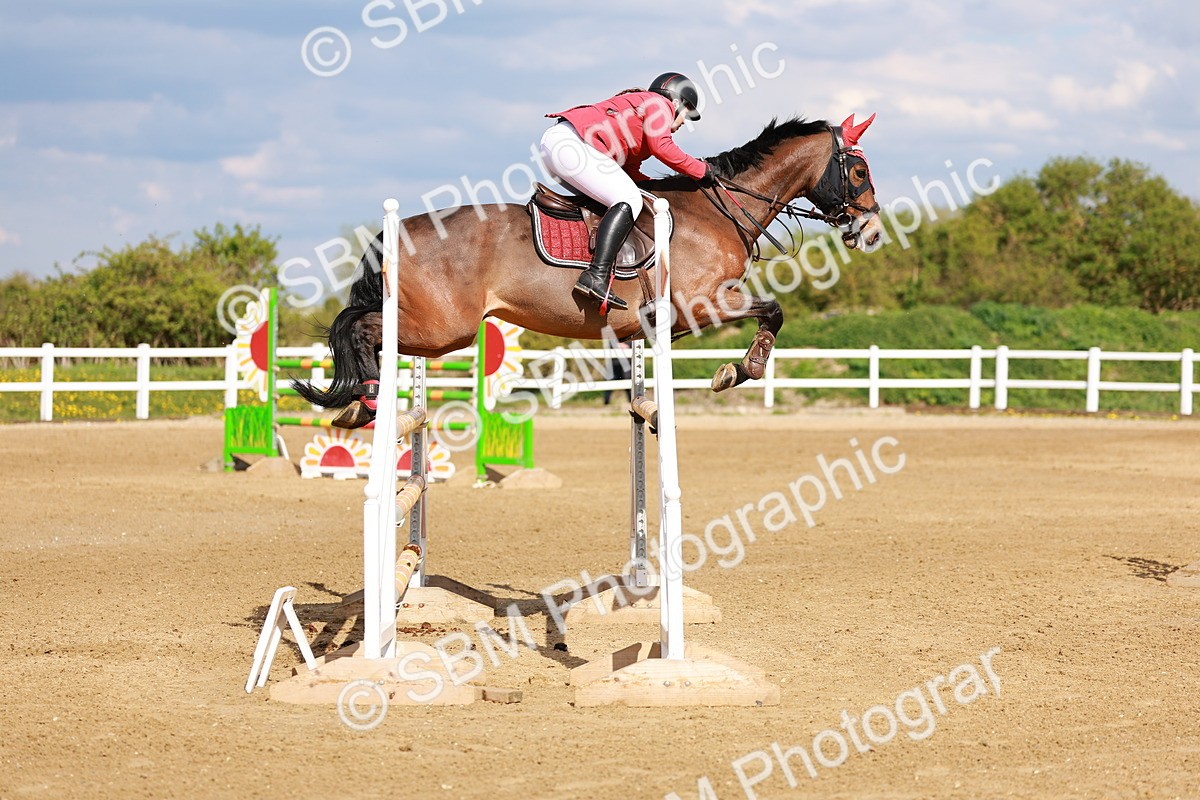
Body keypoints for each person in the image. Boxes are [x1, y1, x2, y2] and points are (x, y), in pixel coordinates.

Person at [539, 72, 715, 311]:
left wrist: (665, 191)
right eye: (687, 113)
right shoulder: (659, 104)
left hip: (561, 146)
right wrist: (702, 169)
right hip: (570, 145)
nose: (684, 122)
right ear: (676, 102)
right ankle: (596, 275)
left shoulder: (643, 114)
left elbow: (631, 173)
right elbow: (663, 147)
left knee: (622, 196)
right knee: (629, 198)